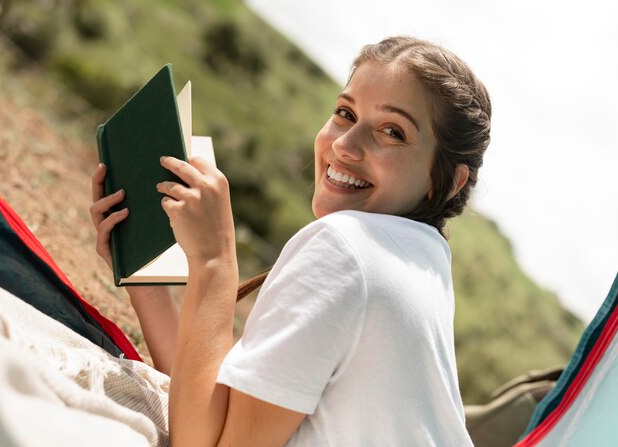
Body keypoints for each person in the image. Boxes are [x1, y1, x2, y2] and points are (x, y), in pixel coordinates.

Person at [90, 35, 491, 446]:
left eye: (392, 131)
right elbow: (213, 411)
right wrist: (144, 279)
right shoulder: (423, 261)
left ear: (446, 181)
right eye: (345, 113)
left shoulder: (347, 248)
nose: (344, 145)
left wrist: (215, 260)